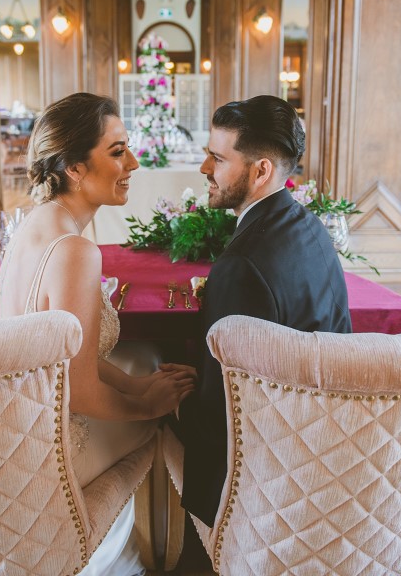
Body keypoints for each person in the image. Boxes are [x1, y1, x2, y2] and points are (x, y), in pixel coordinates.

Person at [0, 92, 195, 576]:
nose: (134, 162)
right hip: (52, 446)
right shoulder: (74, 251)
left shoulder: (34, 227)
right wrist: (149, 405)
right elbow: (80, 393)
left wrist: (135, 385)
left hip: (16, 421)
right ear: (75, 168)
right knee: (176, 417)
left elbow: (66, 353)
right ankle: (144, 557)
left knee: (145, 365)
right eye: (117, 151)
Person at [167, 95, 352, 528]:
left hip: (267, 483)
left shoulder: (240, 268)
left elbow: (221, 422)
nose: (204, 170)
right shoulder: (309, 226)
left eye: (216, 158)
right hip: (328, 437)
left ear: (261, 170)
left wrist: (172, 405)